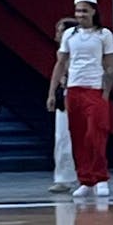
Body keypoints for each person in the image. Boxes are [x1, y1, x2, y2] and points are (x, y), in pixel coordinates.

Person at [48, 0, 113, 198]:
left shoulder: (104, 35)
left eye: (84, 11)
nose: (80, 15)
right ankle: (86, 179)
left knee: (95, 135)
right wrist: (52, 93)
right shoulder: (70, 35)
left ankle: (101, 177)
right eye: (77, 11)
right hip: (73, 91)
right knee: (77, 137)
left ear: (94, 11)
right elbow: (60, 64)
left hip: (94, 90)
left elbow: (110, 66)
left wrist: (105, 93)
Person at [47, 17, 79, 193]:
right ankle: (64, 177)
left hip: (79, 95)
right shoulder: (61, 53)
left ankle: (86, 176)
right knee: (62, 138)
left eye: (59, 31)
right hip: (65, 96)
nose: (56, 36)